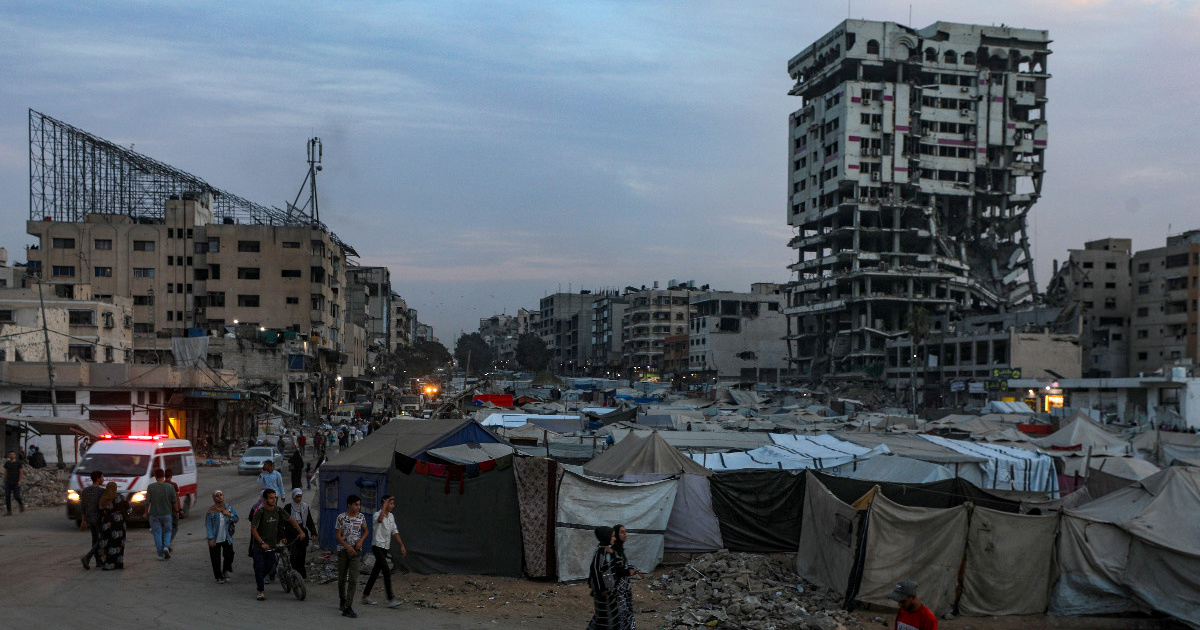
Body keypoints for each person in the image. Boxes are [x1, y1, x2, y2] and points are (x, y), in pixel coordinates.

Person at [250, 488, 306, 601]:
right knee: (259, 568)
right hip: (259, 546)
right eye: (271, 498)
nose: (274, 499)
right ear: (265, 499)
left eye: (275, 497)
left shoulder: (278, 510)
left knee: (270, 565)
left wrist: (301, 532)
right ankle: (261, 591)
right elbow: (253, 529)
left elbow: (291, 519)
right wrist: (261, 542)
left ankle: (264, 576)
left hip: (272, 545)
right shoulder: (260, 513)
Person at [361, 494, 406, 608]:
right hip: (377, 547)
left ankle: (365, 596)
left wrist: (402, 545)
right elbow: (380, 520)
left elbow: (395, 532)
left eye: (392, 503)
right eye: (390, 503)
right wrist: (385, 506)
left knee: (375, 572)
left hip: (385, 547)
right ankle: (390, 599)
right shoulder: (377, 515)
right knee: (386, 571)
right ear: (384, 503)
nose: (393, 506)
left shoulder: (391, 517)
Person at [335, 494, 368, 617]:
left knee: (353, 579)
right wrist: (347, 547)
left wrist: (360, 541)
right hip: (343, 551)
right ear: (349, 505)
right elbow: (338, 535)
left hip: (356, 551)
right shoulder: (341, 518)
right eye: (356, 504)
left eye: (359, 504)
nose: (358, 507)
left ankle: (348, 606)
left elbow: (366, 531)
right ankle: (342, 599)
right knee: (342, 578)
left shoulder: (361, 517)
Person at [586, 526, 620, 630]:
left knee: (605, 616)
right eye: (613, 536)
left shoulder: (607, 551)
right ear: (607, 537)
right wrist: (601, 588)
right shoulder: (600, 553)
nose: (615, 538)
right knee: (604, 617)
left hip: (609, 590)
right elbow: (595, 571)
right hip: (603, 591)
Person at [611, 523, 642, 630]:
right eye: (622, 532)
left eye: (626, 532)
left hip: (624, 590)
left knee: (625, 614)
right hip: (617, 591)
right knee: (621, 615)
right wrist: (628, 572)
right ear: (616, 534)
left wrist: (633, 569)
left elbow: (622, 565)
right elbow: (614, 570)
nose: (625, 534)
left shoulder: (620, 550)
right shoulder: (613, 552)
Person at [205, 489, 239, 584]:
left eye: (221, 495)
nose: (220, 497)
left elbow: (236, 518)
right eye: (217, 496)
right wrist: (211, 538)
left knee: (229, 555)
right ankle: (219, 576)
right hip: (215, 539)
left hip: (226, 537)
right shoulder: (211, 511)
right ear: (214, 498)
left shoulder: (229, 508)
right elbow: (208, 526)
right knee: (215, 559)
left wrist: (229, 514)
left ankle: (225, 570)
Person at [284, 488, 318, 581]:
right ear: (293, 497)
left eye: (300, 497)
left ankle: (301, 574)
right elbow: (284, 522)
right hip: (291, 533)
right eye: (297, 497)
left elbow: (309, 521)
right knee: (294, 554)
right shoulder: (288, 507)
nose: (299, 499)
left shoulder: (305, 506)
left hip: (302, 532)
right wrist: (283, 536)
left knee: (302, 554)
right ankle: (294, 573)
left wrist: (313, 532)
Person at [147, 468, 179, 560]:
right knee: (168, 531)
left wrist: (146, 513)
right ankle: (166, 546)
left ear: (156, 477)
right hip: (167, 514)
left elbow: (147, 502)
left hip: (154, 514)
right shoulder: (170, 487)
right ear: (163, 476)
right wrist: (176, 511)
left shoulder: (151, 487)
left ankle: (160, 554)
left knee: (157, 533)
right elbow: (174, 501)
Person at [79, 470, 106, 569]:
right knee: (101, 539)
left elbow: (82, 506)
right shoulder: (101, 491)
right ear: (98, 479)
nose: (103, 479)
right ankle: (87, 557)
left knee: (95, 540)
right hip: (98, 518)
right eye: (102, 477)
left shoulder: (85, 490)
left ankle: (98, 561)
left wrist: (83, 520)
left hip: (89, 519)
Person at [98, 482, 128, 570]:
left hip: (107, 522)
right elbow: (129, 509)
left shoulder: (104, 498)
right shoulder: (121, 498)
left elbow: (100, 510)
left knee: (107, 543)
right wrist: (123, 516)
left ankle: (108, 564)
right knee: (119, 543)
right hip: (119, 523)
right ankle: (118, 563)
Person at [4, 451, 24, 515]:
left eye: (13, 454)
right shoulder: (7, 463)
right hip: (8, 482)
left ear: (15, 455)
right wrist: (4, 480)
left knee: (16, 496)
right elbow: (5, 471)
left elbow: (21, 472)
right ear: (9, 456)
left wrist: (20, 480)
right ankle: (9, 511)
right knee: (7, 496)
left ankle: (21, 504)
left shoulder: (19, 463)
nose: (12, 455)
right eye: (10, 454)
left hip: (16, 482)